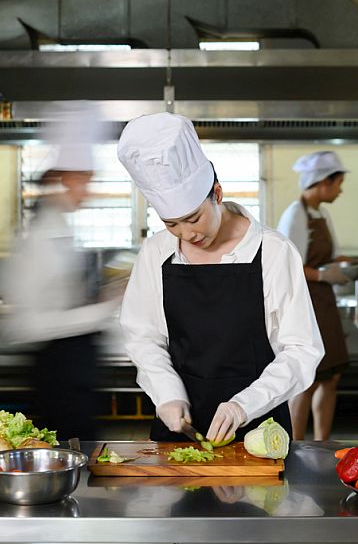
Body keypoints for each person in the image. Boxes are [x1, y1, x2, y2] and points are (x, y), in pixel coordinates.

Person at [117, 112, 323, 445]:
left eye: (193, 218)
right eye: (172, 224)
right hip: (179, 429)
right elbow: (143, 337)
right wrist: (167, 395)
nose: (186, 234)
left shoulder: (272, 251)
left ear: (217, 192)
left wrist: (244, 405)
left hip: (259, 429)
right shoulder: (156, 252)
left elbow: (302, 350)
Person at [0, 102, 119, 441]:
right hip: (57, 375)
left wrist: (102, 297)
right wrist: (99, 311)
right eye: (84, 181)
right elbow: (26, 324)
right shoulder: (37, 238)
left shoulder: (60, 226)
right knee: (67, 460)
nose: (88, 191)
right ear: (63, 180)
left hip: (76, 373)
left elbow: (63, 299)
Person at [277, 150, 354, 441]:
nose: (340, 190)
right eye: (338, 183)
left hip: (324, 302)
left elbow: (332, 256)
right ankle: (295, 445)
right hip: (304, 303)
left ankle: (323, 443)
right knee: (306, 380)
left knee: (331, 377)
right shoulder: (295, 214)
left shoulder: (321, 213)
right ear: (324, 182)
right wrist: (323, 275)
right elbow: (289, 265)